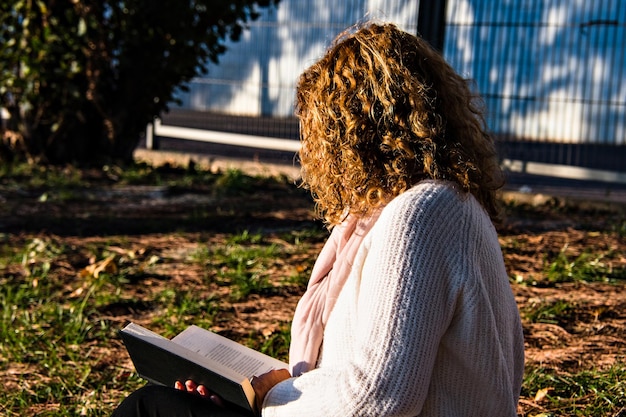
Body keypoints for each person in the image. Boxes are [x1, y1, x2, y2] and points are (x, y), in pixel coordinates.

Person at [111, 21, 525, 417]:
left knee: (149, 408)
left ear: (350, 134)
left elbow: (380, 395)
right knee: (174, 403)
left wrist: (273, 395)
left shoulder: (421, 214)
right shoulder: (433, 207)